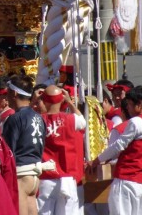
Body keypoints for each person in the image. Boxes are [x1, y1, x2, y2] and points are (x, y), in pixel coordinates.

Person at [87, 85, 142, 215]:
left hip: (126, 179)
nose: (127, 107)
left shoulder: (136, 122)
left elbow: (118, 146)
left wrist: (96, 161)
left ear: (139, 104)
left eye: (129, 104)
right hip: (140, 182)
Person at [37, 85, 86, 215]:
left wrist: (34, 102)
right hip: (67, 178)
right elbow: (83, 122)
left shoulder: (37, 120)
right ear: (62, 100)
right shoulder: (71, 119)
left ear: (44, 100)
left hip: (46, 177)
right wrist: (70, 102)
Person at [2, 75, 46, 215]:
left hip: (21, 173)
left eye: (7, 92)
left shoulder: (15, 119)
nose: (6, 97)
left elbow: (7, 151)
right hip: (34, 174)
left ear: (14, 93)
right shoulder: (39, 118)